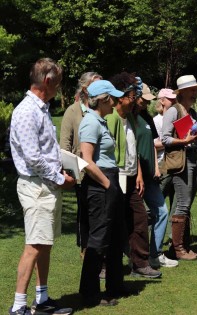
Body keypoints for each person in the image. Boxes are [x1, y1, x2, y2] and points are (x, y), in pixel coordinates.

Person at [9, 58, 75, 315]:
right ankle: (18, 307)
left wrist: (65, 166)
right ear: (47, 81)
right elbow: (33, 158)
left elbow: (46, 152)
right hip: (36, 187)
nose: (58, 89)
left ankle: (42, 298)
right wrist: (60, 179)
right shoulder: (26, 112)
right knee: (34, 245)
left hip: (45, 186)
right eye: (58, 84)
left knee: (44, 243)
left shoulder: (41, 109)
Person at [107, 73, 161, 278]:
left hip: (130, 176)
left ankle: (140, 263)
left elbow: (134, 149)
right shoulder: (111, 118)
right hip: (114, 177)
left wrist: (138, 173)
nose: (134, 101)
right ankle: (106, 264)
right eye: (131, 97)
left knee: (139, 219)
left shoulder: (130, 117)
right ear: (120, 97)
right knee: (114, 221)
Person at [78, 80, 127, 307]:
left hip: (109, 179)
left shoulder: (102, 121)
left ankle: (115, 286)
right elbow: (86, 160)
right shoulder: (90, 122)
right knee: (99, 238)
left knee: (117, 235)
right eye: (113, 98)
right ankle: (89, 292)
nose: (116, 101)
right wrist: (107, 184)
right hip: (100, 184)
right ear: (104, 99)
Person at [134, 82, 178, 268]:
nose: (145, 103)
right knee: (136, 217)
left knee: (161, 212)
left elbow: (153, 143)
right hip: (135, 175)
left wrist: (156, 167)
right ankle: (134, 257)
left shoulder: (146, 117)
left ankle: (155, 254)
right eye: (143, 100)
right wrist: (139, 173)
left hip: (150, 174)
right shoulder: (126, 118)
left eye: (147, 101)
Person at [161, 75, 197, 261]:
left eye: (196, 90)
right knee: (182, 204)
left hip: (194, 159)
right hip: (181, 163)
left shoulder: (193, 113)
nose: (196, 93)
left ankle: (180, 244)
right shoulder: (173, 111)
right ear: (183, 92)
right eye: (192, 90)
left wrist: (196, 137)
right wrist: (184, 141)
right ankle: (178, 248)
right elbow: (164, 139)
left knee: (187, 204)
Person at [60, 71, 102, 256]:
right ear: (85, 88)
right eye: (97, 85)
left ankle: (100, 253)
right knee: (85, 215)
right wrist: (70, 173)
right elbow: (65, 146)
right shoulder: (73, 111)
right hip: (81, 174)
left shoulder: (104, 110)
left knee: (100, 215)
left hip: (101, 170)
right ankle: (86, 252)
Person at [153, 88, 177, 204]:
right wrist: (175, 142)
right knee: (158, 201)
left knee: (177, 201)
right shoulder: (157, 120)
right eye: (171, 99)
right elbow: (153, 145)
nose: (174, 101)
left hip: (177, 163)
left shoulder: (177, 117)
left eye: (175, 99)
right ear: (162, 101)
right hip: (163, 164)